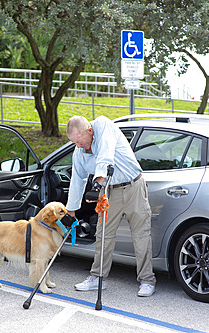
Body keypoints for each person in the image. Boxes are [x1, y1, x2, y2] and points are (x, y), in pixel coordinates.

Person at [66, 115, 156, 297]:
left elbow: (106, 156)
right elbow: (77, 180)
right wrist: (71, 211)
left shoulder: (103, 125)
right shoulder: (79, 153)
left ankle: (147, 280)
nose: (78, 145)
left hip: (134, 187)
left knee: (141, 236)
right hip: (110, 192)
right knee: (103, 235)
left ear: (89, 131)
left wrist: (97, 184)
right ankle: (98, 277)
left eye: (79, 140)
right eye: (73, 142)